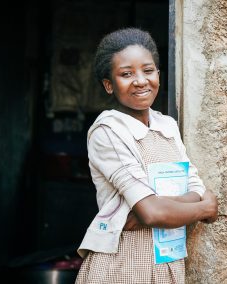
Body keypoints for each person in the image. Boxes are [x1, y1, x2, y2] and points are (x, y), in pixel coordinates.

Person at [75, 27, 218, 284]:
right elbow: (151, 213)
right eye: (126, 74)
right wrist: (202, 208)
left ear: (159, 76)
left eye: (148, 70)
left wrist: (155, 209)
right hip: (122, 266)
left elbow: (193, 185)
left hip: (167, 264)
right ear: (109, 85)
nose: (140, 80)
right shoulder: (108, 131)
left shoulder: (167, 126)